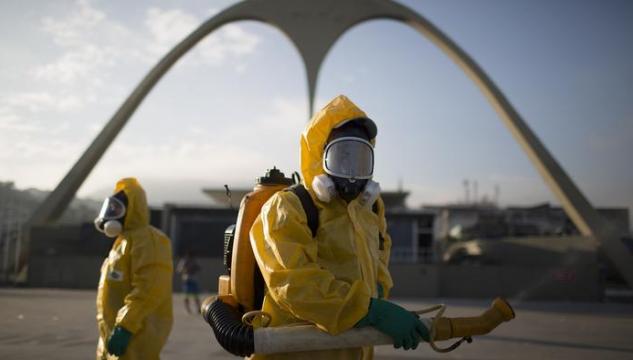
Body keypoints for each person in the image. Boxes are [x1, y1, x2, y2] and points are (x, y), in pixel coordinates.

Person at [250, 95, 428, 359]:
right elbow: (294, 284)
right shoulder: (289, 207)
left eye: (360, 158)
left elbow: (379, 266)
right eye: (341, 156)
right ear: (318, 156)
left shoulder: (370, 210)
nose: (352, 170)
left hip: (355, 349)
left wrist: (376, 297)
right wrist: (371, 311)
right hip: (296, 353)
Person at [94, 177, 173, 360]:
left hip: (136, 338)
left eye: (116, 209)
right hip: (112, 336)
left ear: (132, 209)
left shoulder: (149, 241)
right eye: (110, 208)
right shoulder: (122, 242)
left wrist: (126, 326)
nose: (111, 214)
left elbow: (150, 289)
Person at [176, 250, 202, 314]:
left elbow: (199, 268)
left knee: (196, 295)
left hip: (194, 279)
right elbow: (179, 270)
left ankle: (198, 308)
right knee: (186, 295)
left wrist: (194, 268)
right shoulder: (184, 261)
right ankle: (188, 309)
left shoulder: (194, 261)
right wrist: (185, 269)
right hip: (187, 280)